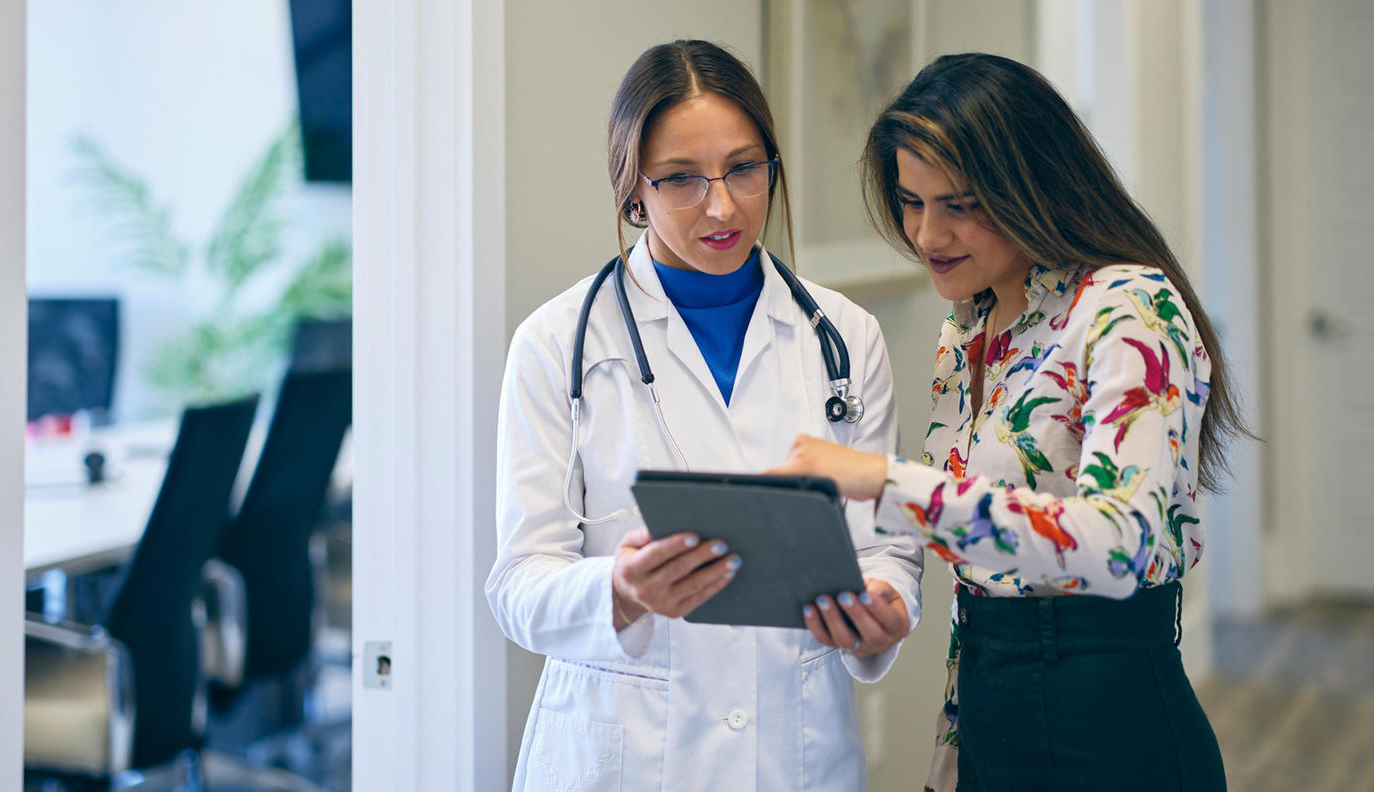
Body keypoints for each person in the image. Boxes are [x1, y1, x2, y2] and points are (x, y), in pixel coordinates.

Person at [772, 53, 1243, 791]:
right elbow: (983, 587)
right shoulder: (968, 328)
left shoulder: (1127, 306)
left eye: (960, 204)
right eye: (911, 201)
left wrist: (883, 482)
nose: (928, 234)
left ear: (1033, 184)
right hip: (991, 703)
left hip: (1110, 714)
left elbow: (1121, 541)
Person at [484, 39, 924, 791]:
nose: (721, 205)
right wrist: (616, 592)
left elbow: (884, 547)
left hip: (796, 752)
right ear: (634, 191)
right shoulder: (556, 345)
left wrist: (890, 603)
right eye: (681, 179)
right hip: (623, 754)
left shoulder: (845, 337)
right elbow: (518, 584)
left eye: (745, 168)